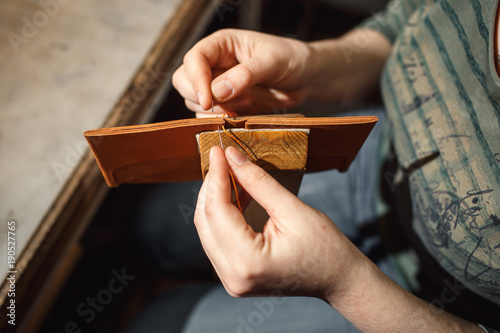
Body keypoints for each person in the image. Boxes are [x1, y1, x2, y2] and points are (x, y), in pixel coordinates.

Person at [128, 0, 500, 332]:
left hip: (433, 303)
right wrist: (309, 65)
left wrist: (344, 284)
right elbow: (407, 22)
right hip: (381, 156)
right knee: (155, 226)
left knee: (158, 324)